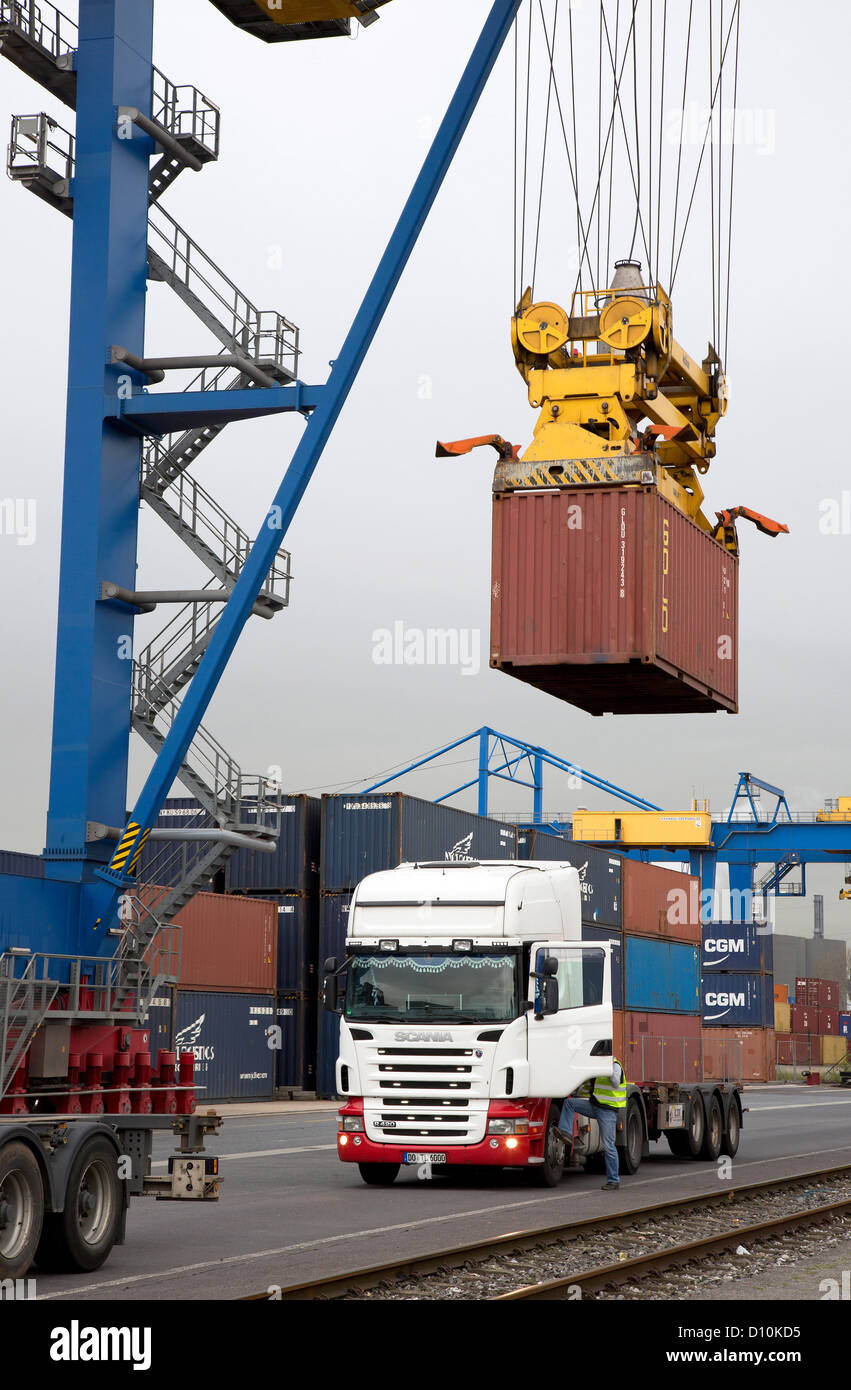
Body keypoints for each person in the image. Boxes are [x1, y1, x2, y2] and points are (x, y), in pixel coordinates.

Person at [556, 1059, 626, 1190]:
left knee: (608, 1146)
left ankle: (613, 1180)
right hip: (595, 1105)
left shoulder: (615, 1065)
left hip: (607, 1110)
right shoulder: (597, 1064)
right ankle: (566, 1133)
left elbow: (616, 1082)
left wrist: (608, 1068)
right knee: (569, 1103)